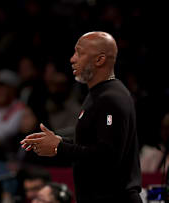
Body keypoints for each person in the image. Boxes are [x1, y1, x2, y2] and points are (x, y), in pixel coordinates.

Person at [21, 31, 142, 203]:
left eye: (80, 53)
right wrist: (57, 142)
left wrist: (60, 147)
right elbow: (91, 146)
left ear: (100, 60)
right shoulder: (96, 95)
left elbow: (108, 156)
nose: (72, 59)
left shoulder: (112, 97)